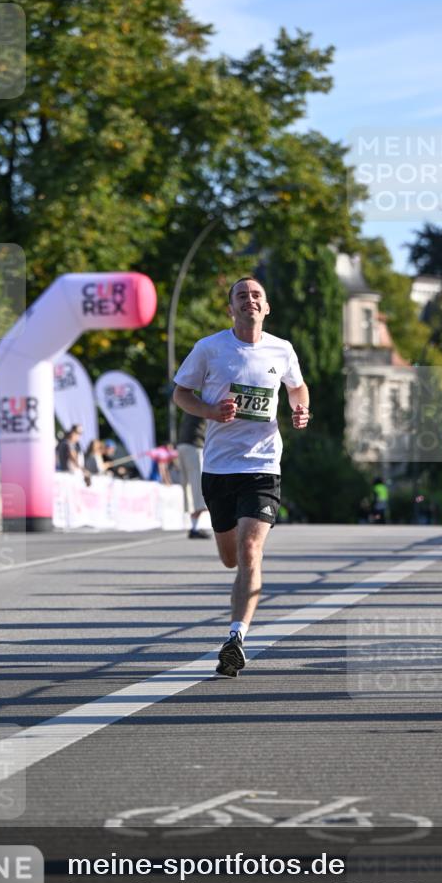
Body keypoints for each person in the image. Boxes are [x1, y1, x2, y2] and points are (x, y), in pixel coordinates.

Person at [173, 276, 309, 678]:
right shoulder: (209, 349)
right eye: (241, 296)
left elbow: (298, 388)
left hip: (263, 465)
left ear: (266, 308)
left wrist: (301, 410)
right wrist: (211, 411)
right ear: (230, 308)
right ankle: (236, 617)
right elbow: (181, 394)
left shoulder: (281, 349)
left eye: (256, 296)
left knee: (251, 551)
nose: (249, 300)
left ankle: (236, 637)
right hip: (218, 467)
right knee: (231, 556)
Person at [177, 414, 211, 539]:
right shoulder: (205, 402)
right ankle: (195, 527)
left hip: (182, 444)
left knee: (189, 486)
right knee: (199, 485)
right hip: (194, 445)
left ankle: (194, 526)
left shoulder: (189, 403)